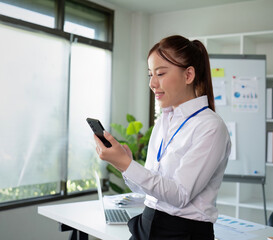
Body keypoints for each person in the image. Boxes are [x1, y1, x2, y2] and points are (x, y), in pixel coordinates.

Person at [93, 35, 231, 240]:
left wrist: (126, 164)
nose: (152, 83)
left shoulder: (211, 127)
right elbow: (151, 190)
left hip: (182, 233)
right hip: (147, 224)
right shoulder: (164, 121)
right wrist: (126, 164)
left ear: (189, 75)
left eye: (160, 73)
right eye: (150, 74)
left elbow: (180, 195)